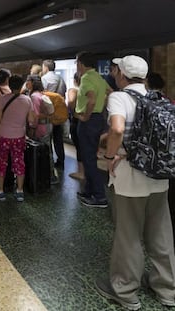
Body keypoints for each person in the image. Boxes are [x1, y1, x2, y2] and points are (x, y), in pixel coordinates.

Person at [94, 55, 175, 310]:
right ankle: (168, 290)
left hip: (130, 180)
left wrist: (110, 156)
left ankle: (126, 291)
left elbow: (118, 129)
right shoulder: (159, 98)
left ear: (121, 74)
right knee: (160, 234)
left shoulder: (120, 97)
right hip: (159, 177)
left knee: (128, 235)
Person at [75, 52, 113, 208]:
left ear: (81, 64)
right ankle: (88, 191)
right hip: (98, 120)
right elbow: (110, 92)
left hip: (88, 121)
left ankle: (99, 196)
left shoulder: (86, 78)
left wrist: (86, 116)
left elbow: (90, 99)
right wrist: (101, 106)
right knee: (89, 156)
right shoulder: (99, 77)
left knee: (89, 159)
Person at [0, 75, 35, 202]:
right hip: (19, 137)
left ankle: (0, 192)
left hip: (3, 136)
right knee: (19, 162)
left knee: (1, 162)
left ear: (9, 85)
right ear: (21, 86)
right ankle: (20, 192)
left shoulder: (3, 99)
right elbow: (31, 120)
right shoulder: (27, 100)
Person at [26, 74, 57, 184]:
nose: (26, 83)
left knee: (42, 151)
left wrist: (31, 128)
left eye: (28, 81)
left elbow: (35, 115)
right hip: (47, 126)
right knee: (47, 150)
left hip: (40, 127)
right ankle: (51, 175)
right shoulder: (40, 94)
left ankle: (45, 176)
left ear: (33, 83)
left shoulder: (34, 96)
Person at [41, 59, 67, 170]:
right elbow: (63, 95)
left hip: (47, 112)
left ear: (46, 68)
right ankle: (61, 161)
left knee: (47, 138)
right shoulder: (61, 79)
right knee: (58, 138)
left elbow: (41, 95)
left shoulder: (44, 79)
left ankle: (48, 161)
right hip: (59, 113)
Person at [67, 72, 84, 180]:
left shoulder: (74, 90)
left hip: (77, 121)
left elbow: (71, 102)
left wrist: (73, 112)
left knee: (79, 147)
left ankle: (81, 172)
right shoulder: (91, 92)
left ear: (75, 81)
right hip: (89, 120)